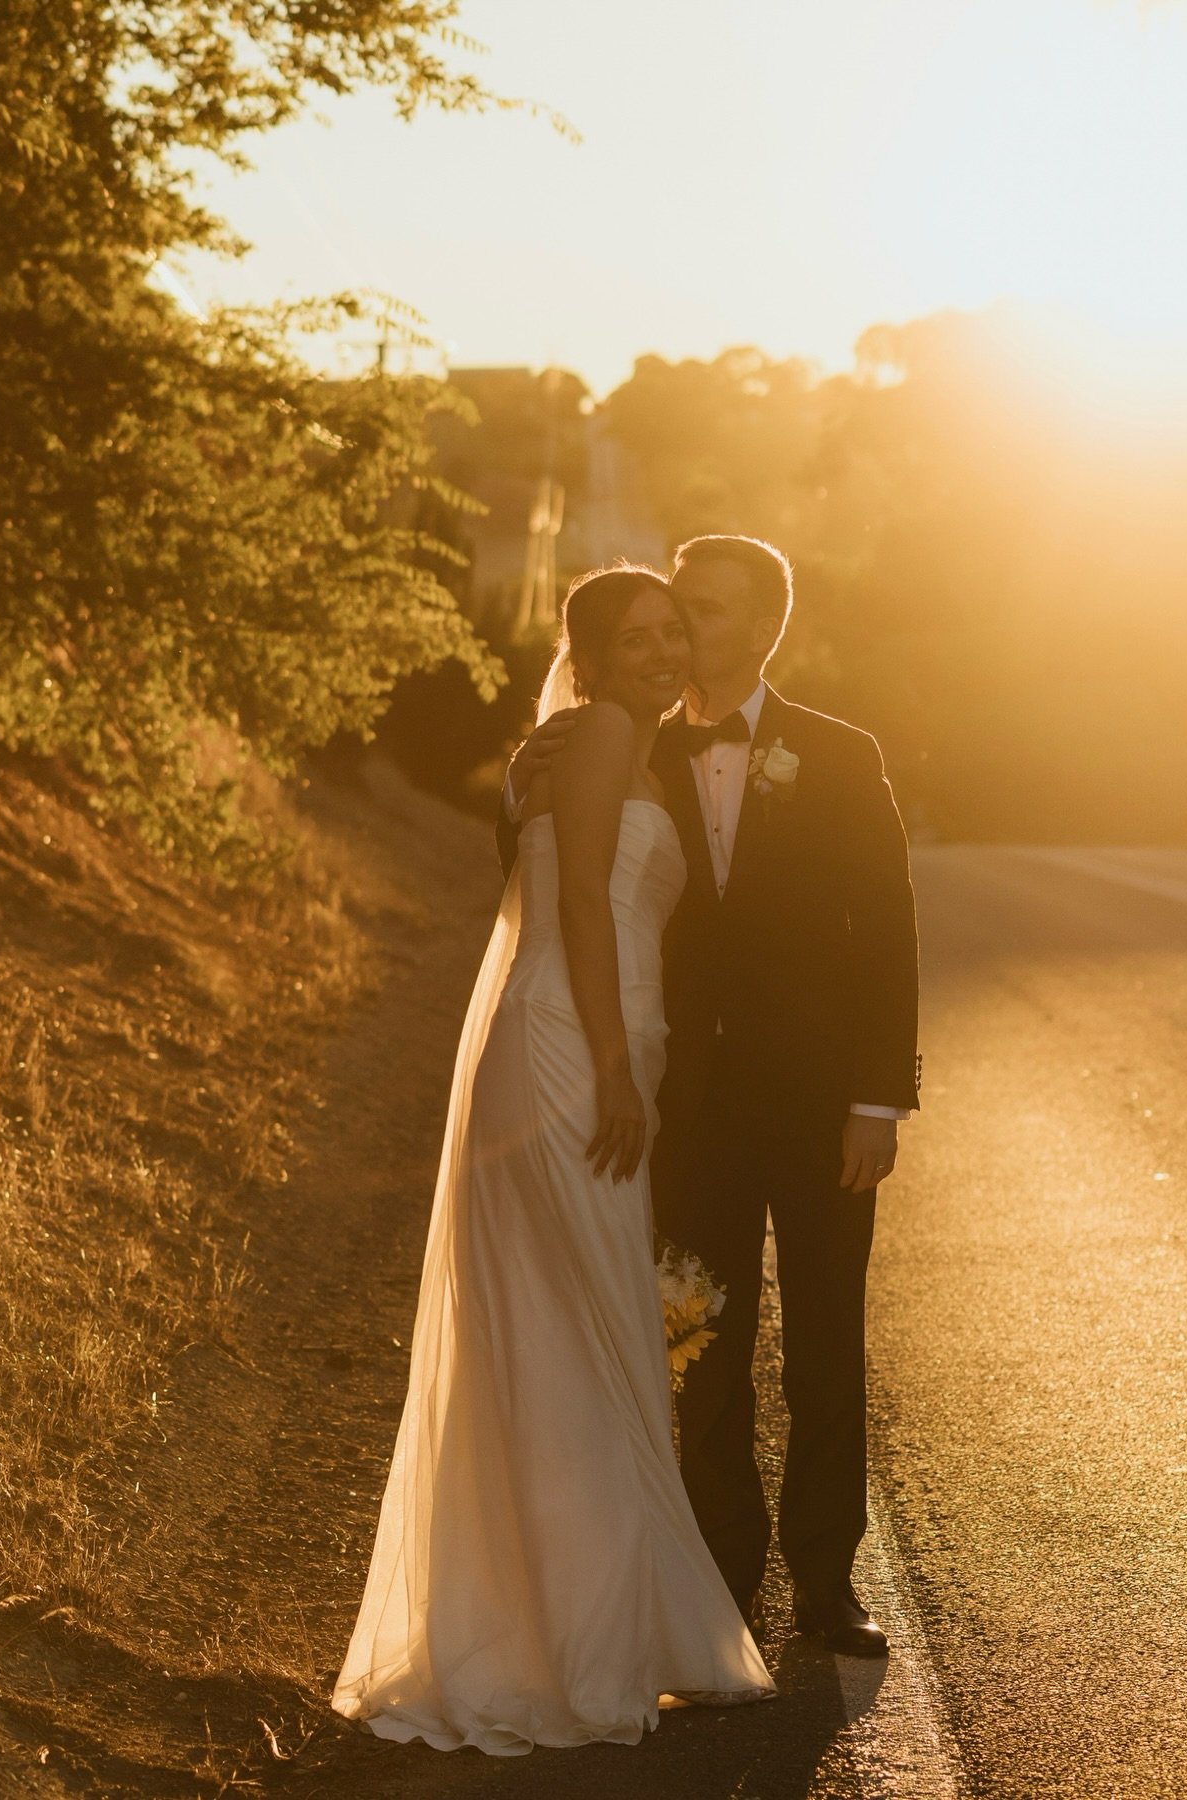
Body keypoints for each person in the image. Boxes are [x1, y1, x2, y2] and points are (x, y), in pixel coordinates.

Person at [331, 566, 774, 1755]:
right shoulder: (605, 734)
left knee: (577, 1325)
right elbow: (578, 900)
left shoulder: (591, 741)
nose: (664, 652)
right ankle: (579, 1645)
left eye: (676, 632)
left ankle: (575, 1627)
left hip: (590, 1039)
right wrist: (619, 1073)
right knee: (581, 1325)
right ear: (590, 647)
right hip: (568, 1051)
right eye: (638, 637)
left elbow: (548, 882)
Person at [502, 535, 919, 1659]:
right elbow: (557, 877)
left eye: (706, 611)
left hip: (823, 1105)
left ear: (764, 627)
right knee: (700, 1344)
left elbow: (886, 932)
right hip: (686, 1112)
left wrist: (880, 1097)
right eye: (676, 610)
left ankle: (827, 1583)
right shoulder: (630, 745)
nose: (684, 630)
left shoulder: (839, 753)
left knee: (829, 1342)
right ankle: (720, 1581)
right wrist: (515, 782)